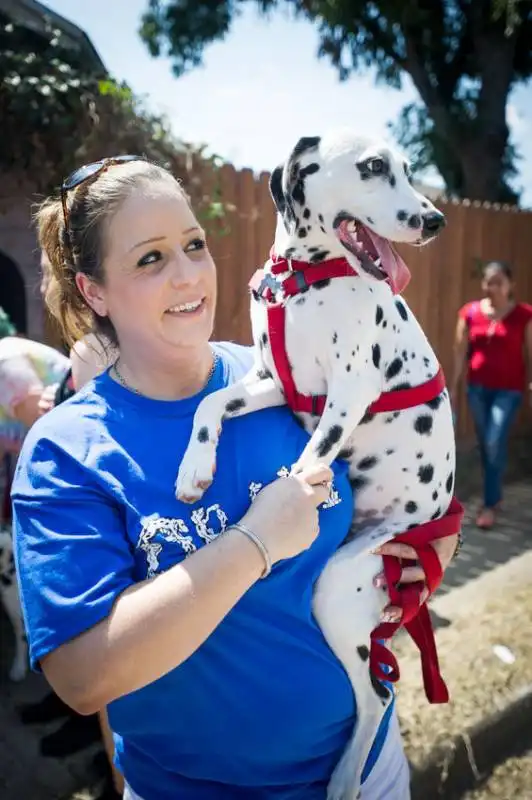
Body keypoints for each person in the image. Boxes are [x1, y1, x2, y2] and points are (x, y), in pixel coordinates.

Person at [12, 156, 458, 800]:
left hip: (367, 771)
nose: (190, 274)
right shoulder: (68, 449)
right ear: (94, 292)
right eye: (150, 259)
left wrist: (437, 539)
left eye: (194, 245)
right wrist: (254, 543)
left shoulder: (284, 378)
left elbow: (404, 460)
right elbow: (82, 677)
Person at [451, 260, 532, 529]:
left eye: (498, 281)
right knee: (487, 445)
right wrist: (453, 386)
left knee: (494, 441)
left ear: (511, 285)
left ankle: (489, 504)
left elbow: (530, 353)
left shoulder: (524, 315)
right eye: (488, 281)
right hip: (477, 389)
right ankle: (494, 497)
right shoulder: (470, 312)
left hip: (508, 391)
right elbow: (460, 352)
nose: (492, 287)